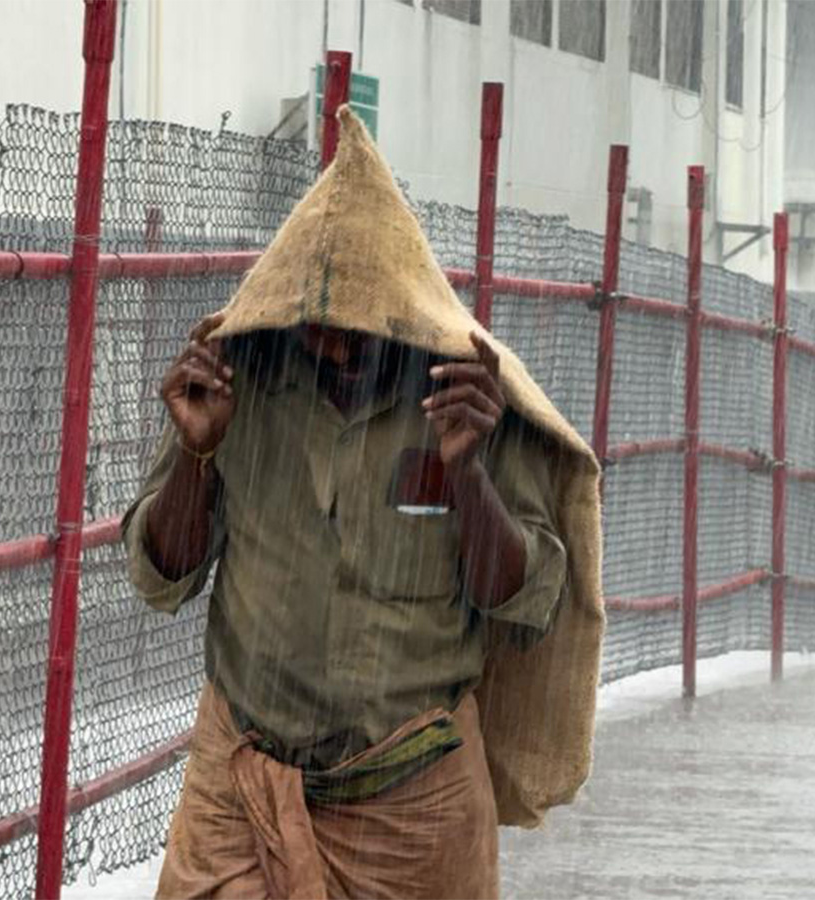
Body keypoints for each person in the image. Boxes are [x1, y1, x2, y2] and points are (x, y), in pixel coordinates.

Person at [123, 107, 603, 900]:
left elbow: (520, 604)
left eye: (362, 332)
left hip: (411, 813)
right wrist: (199, 451)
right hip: (244, 790)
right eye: (318, 329)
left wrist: (467, 474)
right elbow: (161, 578)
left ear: (409, 319)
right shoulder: (236, 384)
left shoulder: (469, 403)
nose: (338, 348)